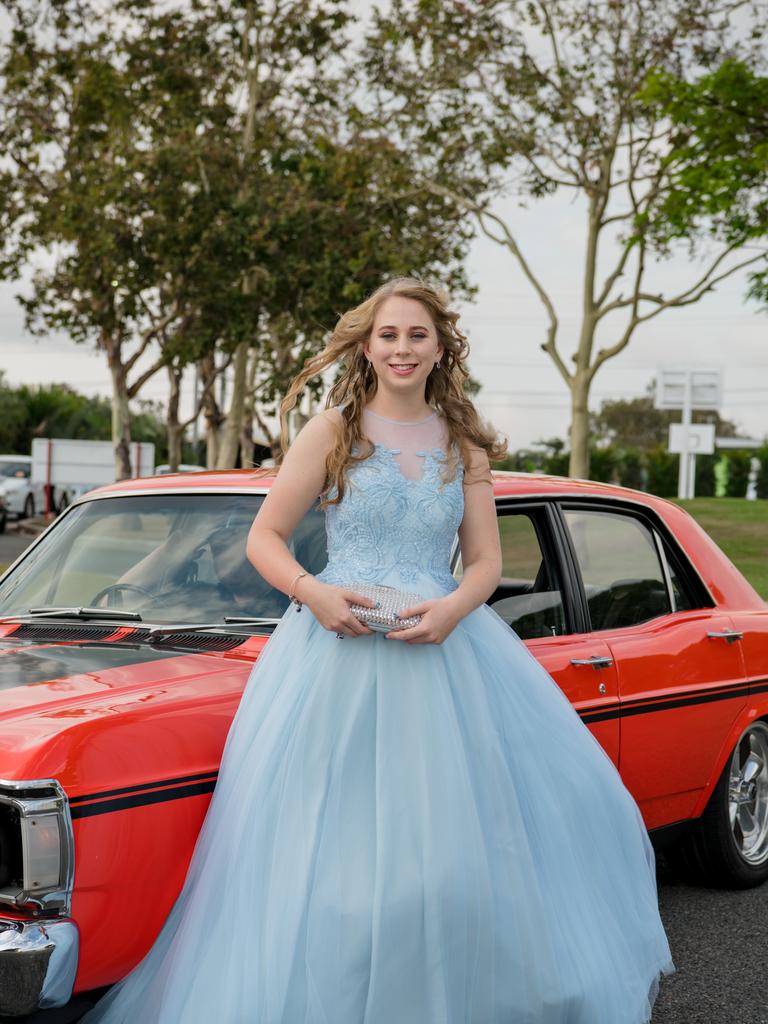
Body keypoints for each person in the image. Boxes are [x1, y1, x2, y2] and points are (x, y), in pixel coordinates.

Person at [81, 277, 675, 1023]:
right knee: (325, 850)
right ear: (367, 344)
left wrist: (455, 608)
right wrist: (315, 592)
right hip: (332, 656)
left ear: (440, 347)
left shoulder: (465, 443)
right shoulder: (333, 431)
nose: (402, 348)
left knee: (456, 852)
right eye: (388, 335)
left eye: (417, 335)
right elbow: (263, 538)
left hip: (445, 658)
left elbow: (486, 561)